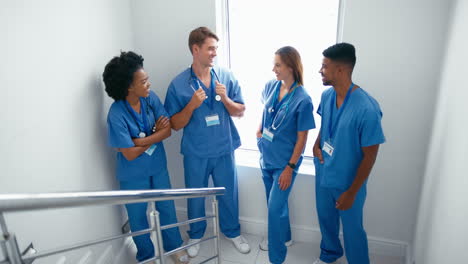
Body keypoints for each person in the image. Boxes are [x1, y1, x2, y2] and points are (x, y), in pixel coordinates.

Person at [164, 26, 250, 257]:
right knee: (194, 195)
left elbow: (240, 110)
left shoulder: (226, 76)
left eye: (216, 49)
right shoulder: (179, 84)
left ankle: (232, 232)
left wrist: (225, 98)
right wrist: (191, 105)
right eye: (210, 49)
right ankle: (195, 234)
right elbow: (175, 124)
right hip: (196, 152)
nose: (214, 53)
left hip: (223, 148)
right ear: (195, 49)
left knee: (228, 193)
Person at [103, 51, 189, 264]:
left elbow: (167, 130)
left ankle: (174, 248)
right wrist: (153, 136)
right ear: (129, 87)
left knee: (166, 207)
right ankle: (146, 257)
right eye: (144, 81)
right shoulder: (116, 114)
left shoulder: (149, 98)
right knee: (138, 218)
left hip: (157, 166)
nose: (149, 84)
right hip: (133, 174)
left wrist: (140, 140)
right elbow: (129, 155)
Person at [312, 43, 385, 264]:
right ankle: (329, 254)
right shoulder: (326, 96)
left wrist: (352, 192)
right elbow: (326, 125)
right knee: (326, 220)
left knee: (353, 230)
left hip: (348, 181)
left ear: (341, 70)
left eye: (324, 66)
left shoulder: (367, 109)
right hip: (324, 172)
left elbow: (370, 156)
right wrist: (316, 145)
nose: (320, 70)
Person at [256, 46, 316, 264]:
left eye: (278, 65)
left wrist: (290, 168)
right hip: (266, 157)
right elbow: (265, 111)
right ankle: (287, 237)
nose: (273, 69)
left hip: (284, 163)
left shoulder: (303, 99)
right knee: (275, 205)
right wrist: (259, 131)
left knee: (273, 209)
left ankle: (277, 257)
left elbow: (302, 139)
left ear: (291, 66)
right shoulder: (272, 86)